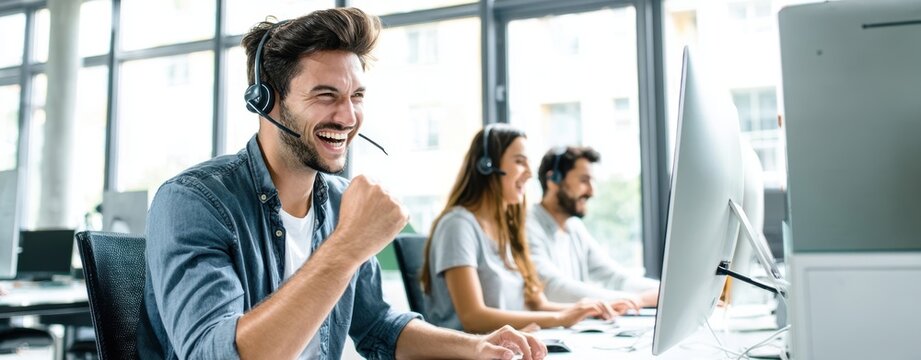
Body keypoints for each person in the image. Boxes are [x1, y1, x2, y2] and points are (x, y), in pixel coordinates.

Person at [136, 8, 546, 360]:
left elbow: (378, 327)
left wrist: (475, 347)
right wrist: (348, 245)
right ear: (266, 101)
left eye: (357, 96)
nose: (348, 117)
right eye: (326, 95)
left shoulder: (337, 201)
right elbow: (217, 354)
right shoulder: (194, 201)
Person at [420, 125, 638, 334]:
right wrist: (559, 318)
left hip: (510, 348)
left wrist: (586, 309)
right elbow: (473, 317)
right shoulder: (458, 225)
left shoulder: (508, 228)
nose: (529, 173)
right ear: (486, 165)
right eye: (519, 162)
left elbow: (536, 305)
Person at [527, 146, 659, 307]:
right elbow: (552, 288)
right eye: (584, 180)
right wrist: (633, 301)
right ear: (553, 180)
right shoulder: (528, 224)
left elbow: (614, 277)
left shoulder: (574, 227)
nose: (592, 191)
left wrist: (664, 290)